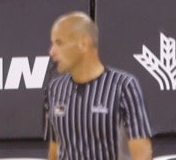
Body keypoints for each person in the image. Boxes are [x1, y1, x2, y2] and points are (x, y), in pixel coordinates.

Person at [45, 12, 152, 159]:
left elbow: (141, 154)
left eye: (59, 43)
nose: (52, 52)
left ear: (84, 43)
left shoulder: (123, 86)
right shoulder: (55, 88)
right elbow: (54, 149)